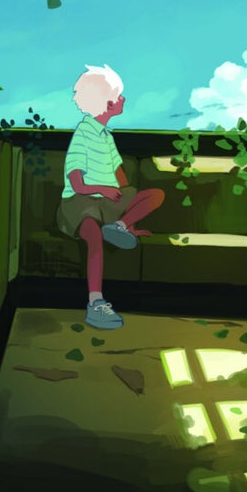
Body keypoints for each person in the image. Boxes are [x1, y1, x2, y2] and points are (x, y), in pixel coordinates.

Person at [57, 64, 164, 329]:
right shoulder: (82, 135)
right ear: (106, 104)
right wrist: (102, 189)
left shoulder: (107, 136)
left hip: (107, 204)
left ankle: (119, 226)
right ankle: (96, 303)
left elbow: (122, 181)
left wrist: (129, 219)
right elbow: (77, 184)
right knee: (93, 235)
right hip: (79, 203)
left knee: (154, 195)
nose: (123, 99)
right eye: (118, 96)